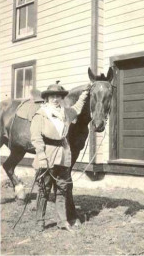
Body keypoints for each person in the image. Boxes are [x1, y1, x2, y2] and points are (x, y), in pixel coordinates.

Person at [30, 81, 91, 232]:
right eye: (52, 97)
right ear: (47, 98)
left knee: (62, 189)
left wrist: (85, 93)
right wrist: (42, 156)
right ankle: (39, 221)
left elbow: (77, 108)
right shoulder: (41, 114)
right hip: (47, 155)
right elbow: (36, 137)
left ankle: (62, 221)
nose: (55, 99)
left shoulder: (66, 113)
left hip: (63, 155)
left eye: (58, 96)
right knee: (44, 190)